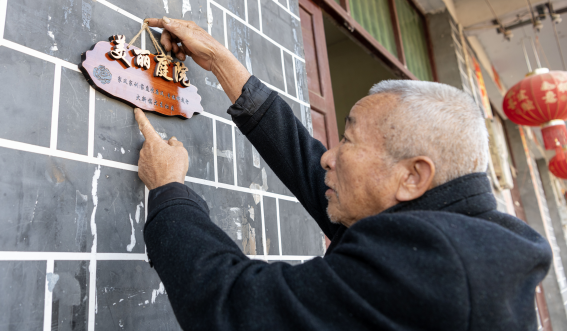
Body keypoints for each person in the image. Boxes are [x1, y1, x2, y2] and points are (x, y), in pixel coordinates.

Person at [135, 16, 552, 331]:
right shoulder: (451, 228)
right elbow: (308, 165)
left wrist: (169, 189)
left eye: (348, 141)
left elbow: (231, 306)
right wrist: (222, 63)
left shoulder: (435, 266)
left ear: (412, 177)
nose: (327, 158)